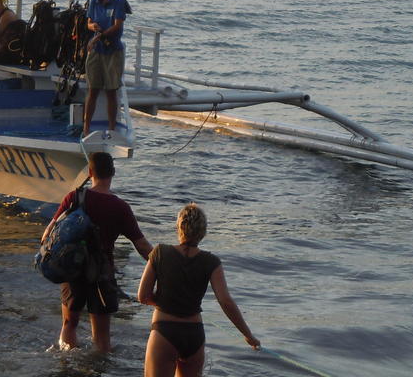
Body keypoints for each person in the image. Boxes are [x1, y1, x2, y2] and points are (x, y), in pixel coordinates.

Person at [40, 152, 152, 352]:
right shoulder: (120, 207)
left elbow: (47, 234)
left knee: (69, 325)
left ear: (90, 172)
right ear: (113, 173)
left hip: (72, 270)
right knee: (102, 338)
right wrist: (164, 264)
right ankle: (97, 368)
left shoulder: (74, 197)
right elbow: (143, 247)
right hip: (101, 274)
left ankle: (67, 366)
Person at [137, 203, 260, 376]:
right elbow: (225, 301)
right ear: (203, 232)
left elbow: (142, 296)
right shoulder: (211, 261)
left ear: (179, 226)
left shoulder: (159, 252)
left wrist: (165, 301)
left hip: (164, 332)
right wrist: (248, 336)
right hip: (194, 335)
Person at [82, 0, 131, 138]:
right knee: (93, 90)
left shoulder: (118, 2)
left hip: (112, 50)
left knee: (111, 90)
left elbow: (117, 26)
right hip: (96, 50)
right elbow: (88, 23)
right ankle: (86, 127)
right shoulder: (93, 3)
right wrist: (93, 27)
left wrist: (99, 37)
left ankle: (111, 128)